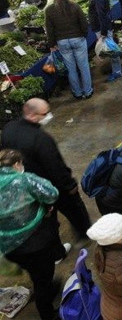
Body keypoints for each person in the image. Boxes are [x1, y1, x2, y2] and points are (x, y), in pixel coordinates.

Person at [2, 99, 92, 238]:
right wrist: (69, 186)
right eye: (45, 113)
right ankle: (86, 232)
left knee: (46, 218)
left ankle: (55, 246)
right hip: (52, 186)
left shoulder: (9, 128)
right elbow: (55, 166)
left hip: (28, 186)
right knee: (74, 211)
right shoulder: (41, 139)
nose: (49, 116)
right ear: (32, 115)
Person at [0, 149, 67, 320]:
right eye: (20, 164)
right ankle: (48, 316)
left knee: (35, 272)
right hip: (34, 243)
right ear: (15, 165)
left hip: (9, 246)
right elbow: (51, 194)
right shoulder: (24, 180)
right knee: (42, 276)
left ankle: (46, 289)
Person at [45, 0, 93, 100]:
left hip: (62, 43)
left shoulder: (50, 10)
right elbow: (84, 23)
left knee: (71, 69)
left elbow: (49, 30)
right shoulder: (75, 6)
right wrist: (83, 35)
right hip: (78, 39)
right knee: (84, 67)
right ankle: (87, 92)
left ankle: (77, 93)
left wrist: (51, 44)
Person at [86, 0, 122, 82]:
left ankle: (117, 72)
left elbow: (102, 15)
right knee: (109, 48)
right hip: (101, 27)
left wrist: (103, 32)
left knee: (111, 50)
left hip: (103, 28)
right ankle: (116, 70)